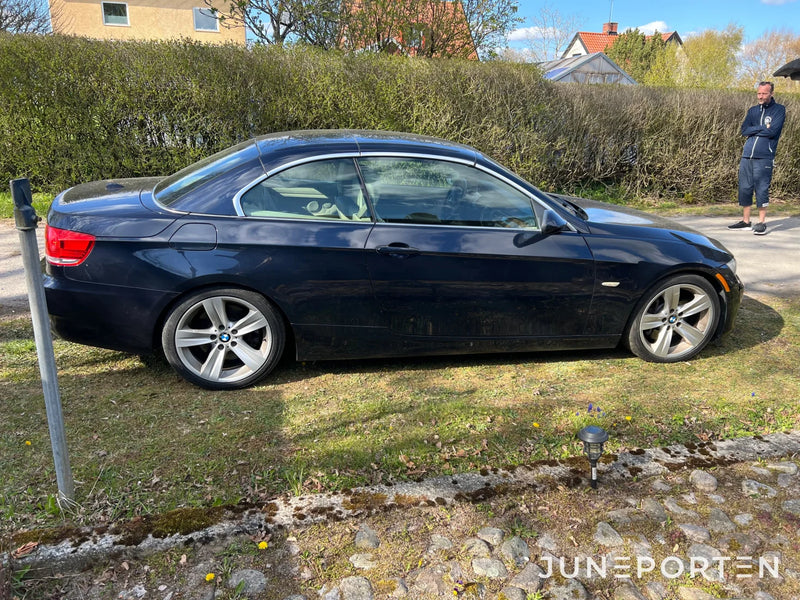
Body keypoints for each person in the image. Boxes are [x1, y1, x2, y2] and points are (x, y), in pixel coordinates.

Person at [728, 81, 786, 235]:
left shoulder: (779, 110)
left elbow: (773, 131)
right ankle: (746, 221)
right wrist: (761, 128)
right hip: (747, 155)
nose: (760, 96)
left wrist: (757, 130)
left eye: (764, 93)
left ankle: (761, 222)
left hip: (764, 156)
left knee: (761, 188)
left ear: (771, 94)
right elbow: (744, 130)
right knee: (745, 187)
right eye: (759, 93)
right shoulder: (752, 111)